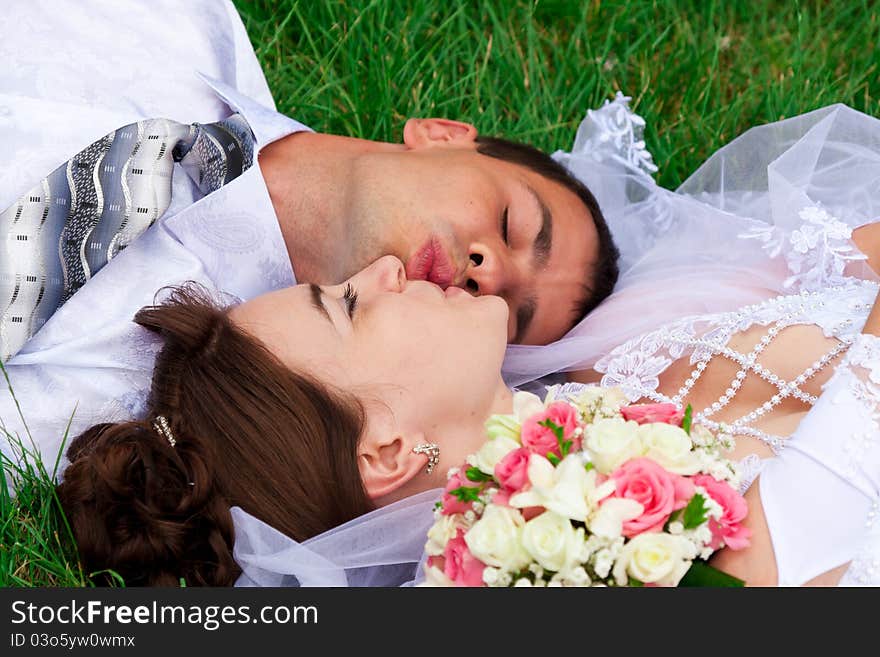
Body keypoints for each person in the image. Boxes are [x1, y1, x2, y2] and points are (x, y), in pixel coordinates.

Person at [0, 0, 618, 465]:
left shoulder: (140, 395)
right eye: (513, 225)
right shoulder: (181, 20)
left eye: (509, 312)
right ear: (441, 134)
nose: (492, 273)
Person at [57, 246, 880, 587]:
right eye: (347, 304)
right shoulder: (598, 561)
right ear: (387, 450)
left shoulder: (609, 371)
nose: (384, 266)